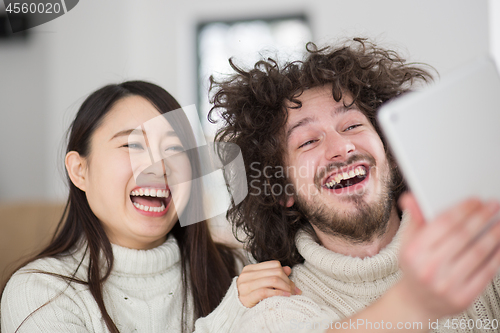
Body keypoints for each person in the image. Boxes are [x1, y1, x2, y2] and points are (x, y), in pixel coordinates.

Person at [210, 38, 500, 332]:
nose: (341, 147)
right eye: (309, 140)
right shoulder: (274, 309)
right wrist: (415, 302)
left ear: (391, 151)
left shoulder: (483, 245)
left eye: (351, 125)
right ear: (283, 189)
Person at [0, 81, 299, 333]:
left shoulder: (240, 271)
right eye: (132, 145)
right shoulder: (40, 293)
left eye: (174, 149)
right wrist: (229, 318)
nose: (158, 167)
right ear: (80, 170)